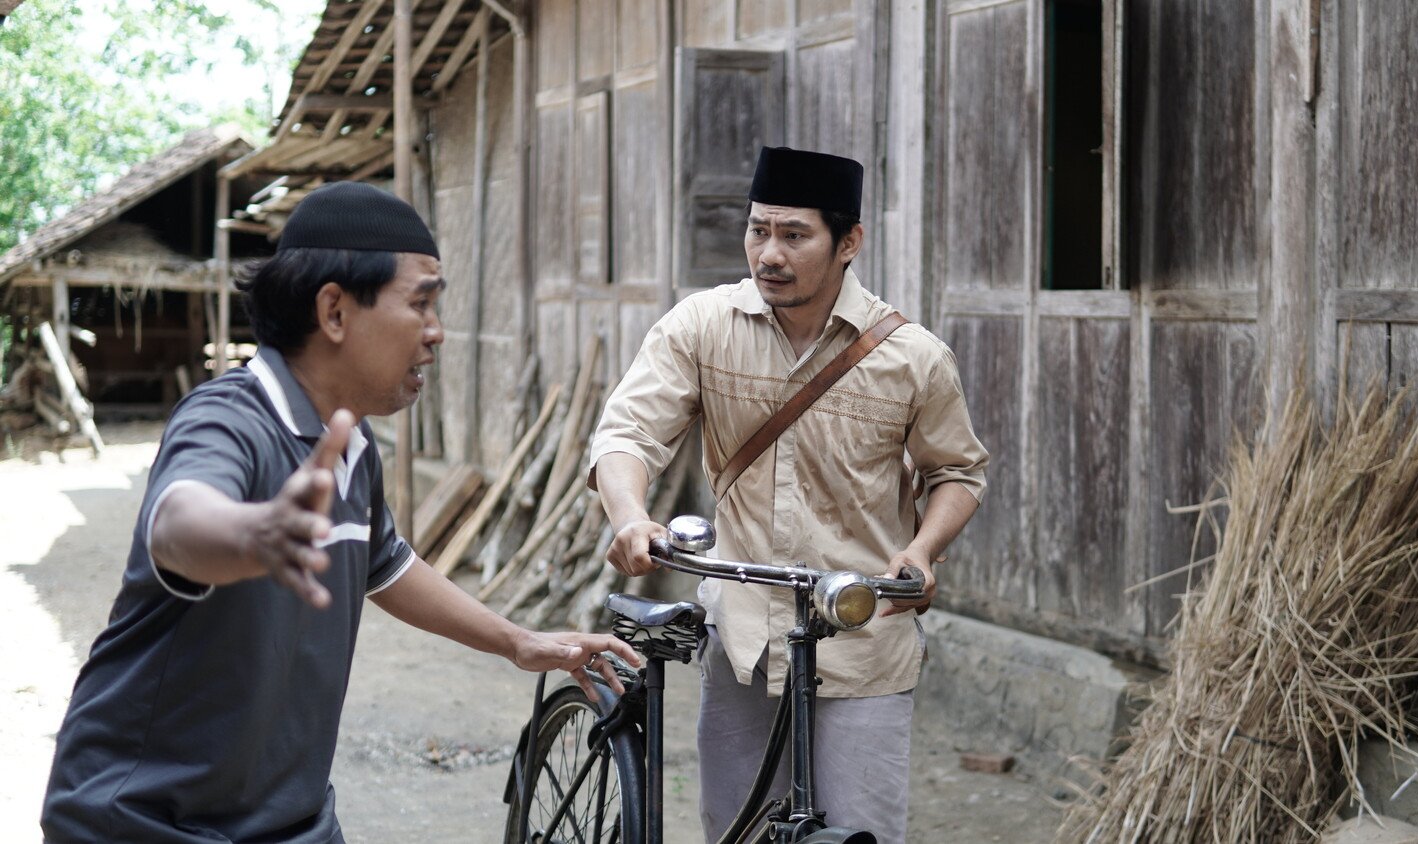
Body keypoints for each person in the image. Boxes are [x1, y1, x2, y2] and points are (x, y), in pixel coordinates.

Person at [40, 182, 639, 843]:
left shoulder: (349, 442)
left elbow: (388, 566)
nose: (437, 332)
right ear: (333, 311)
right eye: (421, 303)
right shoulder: (228, 418)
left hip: (288, 819)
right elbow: (179, 523)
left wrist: (516, 641)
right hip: (141, 817)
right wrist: (254, 534)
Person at [589, 146, 989, 843]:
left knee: (860, 833)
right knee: (735, 831)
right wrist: (629, 516)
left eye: (794, 235)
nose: (769, 253)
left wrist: (923, 549)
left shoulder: (913, 356)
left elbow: (956, 471)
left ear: (848, 243)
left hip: (862, 637)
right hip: (742, 636)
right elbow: (628, 431)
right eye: (758, 230)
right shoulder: (702, 326)